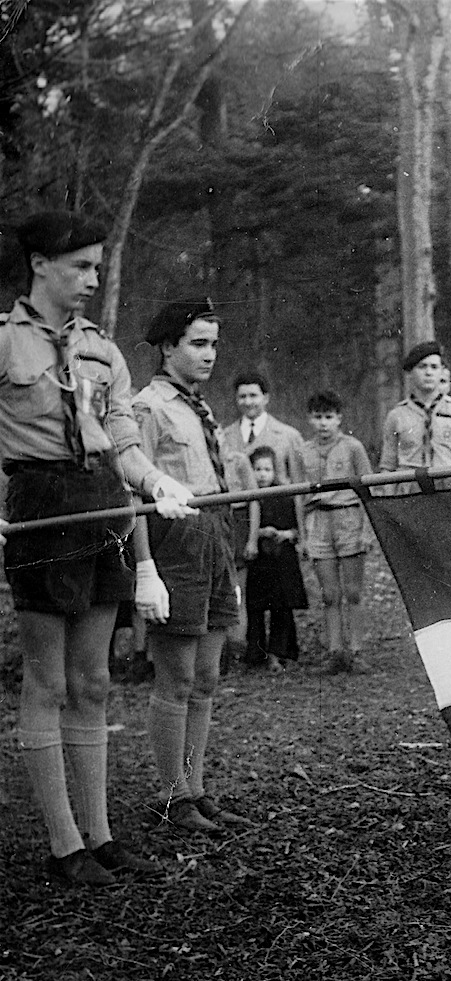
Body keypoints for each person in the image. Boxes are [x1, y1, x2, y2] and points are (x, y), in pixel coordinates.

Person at [2, 211, 195, 884]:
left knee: (93, 680)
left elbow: (124, 442)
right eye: (80, 266)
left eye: (96, 267)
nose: (91, 278)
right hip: (39, 508)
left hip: (103, 504)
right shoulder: (4, 343)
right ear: (39, 264)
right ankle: (64, 847)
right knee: (47, 680)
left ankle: (102, 836)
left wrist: (155, 481)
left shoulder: (103, 350)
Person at [133, 298, 251, 834]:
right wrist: (145, 568)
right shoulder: (148, 406)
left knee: (206, 676)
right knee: (177, 677)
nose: (209, 355)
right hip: (175, 542)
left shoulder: (200, 407)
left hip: (215, 535)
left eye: (214, 345)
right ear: (167, 348)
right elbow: (133, 491)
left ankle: (194, 787)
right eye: (198, 344)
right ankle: (171, 795)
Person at [292, 390, 374, 674]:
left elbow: (367, 489)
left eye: (329, 417)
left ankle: (356, 650)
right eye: (318, 418)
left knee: (352, 591)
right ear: (309, 419)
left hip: (348, 518)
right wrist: (303, 536)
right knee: (329, 594)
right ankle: (334, 651)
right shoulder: (303, 451)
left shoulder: (352, 447)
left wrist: (366, 530)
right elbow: (298, 496)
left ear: (339, 418)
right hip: (318, 522)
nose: (323, 423)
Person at [380, 340, 451, 492]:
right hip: (410, 490)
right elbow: (388, 467)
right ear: (410, 373)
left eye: (434, 367)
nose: (428, 373)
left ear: (441, 371)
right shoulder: (396, 416)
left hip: (450, 489)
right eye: (422, 367)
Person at [244, 445, 307, 672]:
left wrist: (286, 534)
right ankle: (256, 652)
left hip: (281, 558)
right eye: (257, 469)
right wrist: (259, 533)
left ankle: (280, 652)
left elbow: (296, 527)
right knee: (256, 606)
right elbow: (244, 528)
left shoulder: (283, 495)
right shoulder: (247, 496)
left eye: (267, 469)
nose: (262, 475)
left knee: (282, 606)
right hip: (259, 559)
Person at [222, 370, 303, 482]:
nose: (248, 402)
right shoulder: (225, 436)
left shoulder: (289, 436)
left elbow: (299, 482)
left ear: (266, 398)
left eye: (253, 396)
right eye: (242, 396)